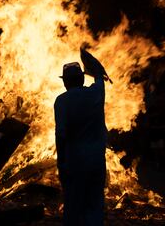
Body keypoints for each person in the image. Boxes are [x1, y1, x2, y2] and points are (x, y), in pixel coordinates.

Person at [54, 50, 108, 226]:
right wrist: (91, 61)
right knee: (95, 205)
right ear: (82, 78)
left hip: (74, 162)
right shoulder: (96, 94)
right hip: (96, 161)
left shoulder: (61, 101)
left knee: (73, 207)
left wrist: (61, 161)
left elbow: (60, 135)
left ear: (66, 83)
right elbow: (100, 76)